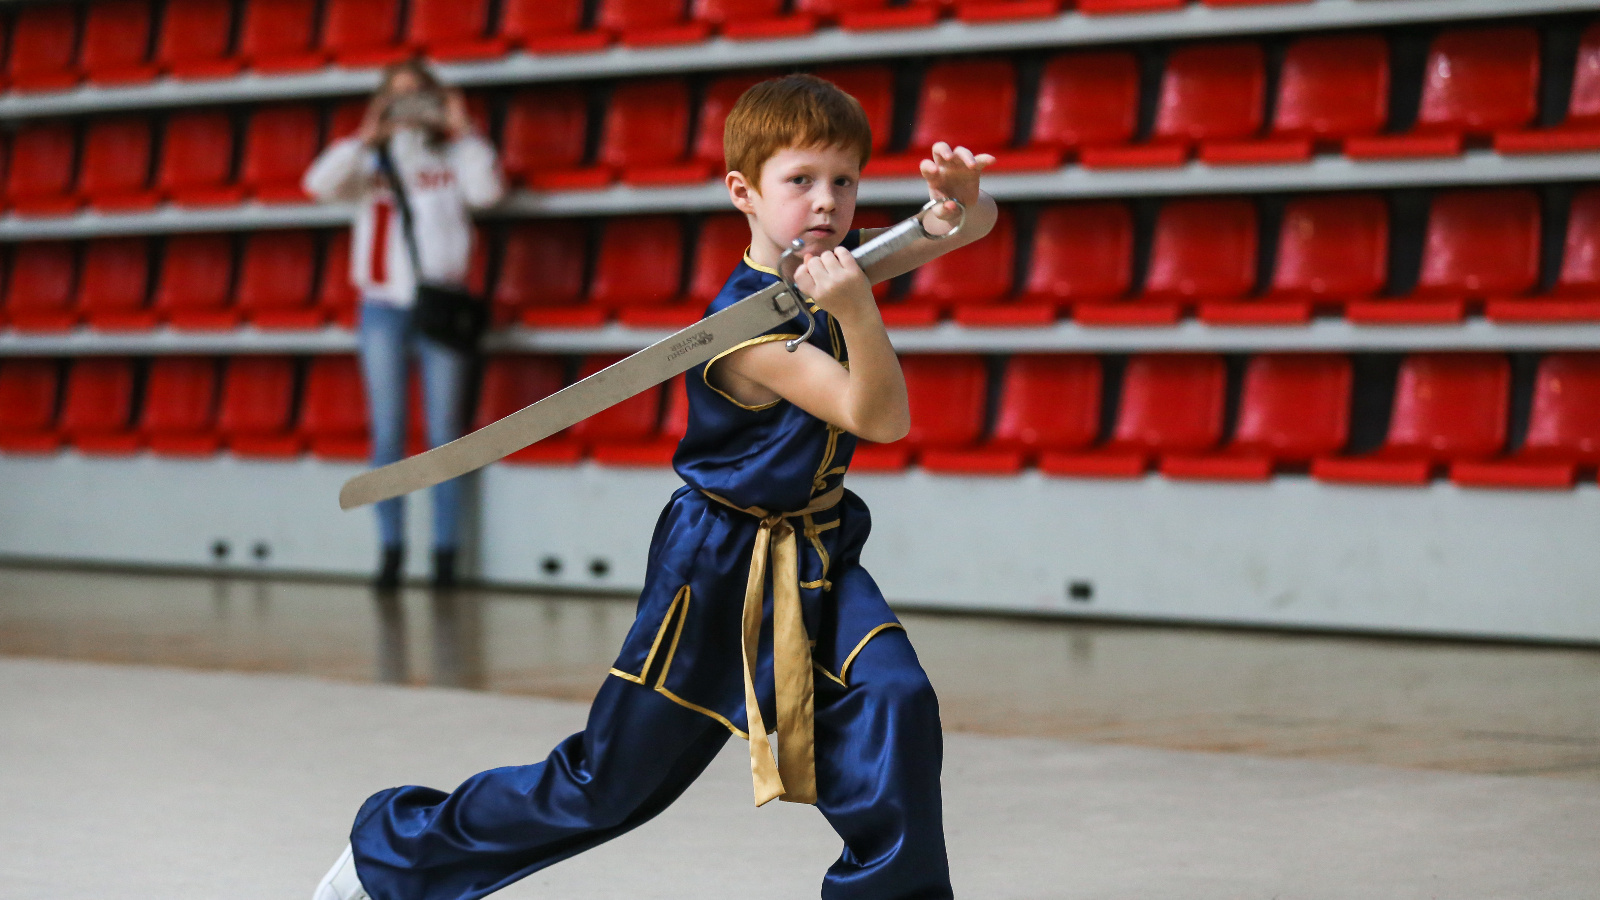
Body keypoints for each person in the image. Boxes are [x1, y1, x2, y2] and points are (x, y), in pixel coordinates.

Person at [312, 73, 997, 900]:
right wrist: (856, 309)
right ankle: (393, 852)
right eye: (801, 182)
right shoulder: (743, 331)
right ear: (743, 192)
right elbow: (876, 417)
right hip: (713, 571)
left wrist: (959, 203)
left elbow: (951, 231)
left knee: (896, 701)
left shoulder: (826, 271)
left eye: (844, 181)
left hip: (814, 552)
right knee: (606, 786)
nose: (827, 203)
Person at [303, 59, 505, 590]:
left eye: (420, 96)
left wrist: (464, 131)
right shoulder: (369, 160)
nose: (410, 108)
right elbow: (317, 184)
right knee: (387, 432)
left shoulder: (455, 154)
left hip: (441, 303)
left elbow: (488, 192)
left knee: (444, 436)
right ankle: (390, 550)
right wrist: (365, 136)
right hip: (382, 307)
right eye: (398, 97)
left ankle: (444, 555)